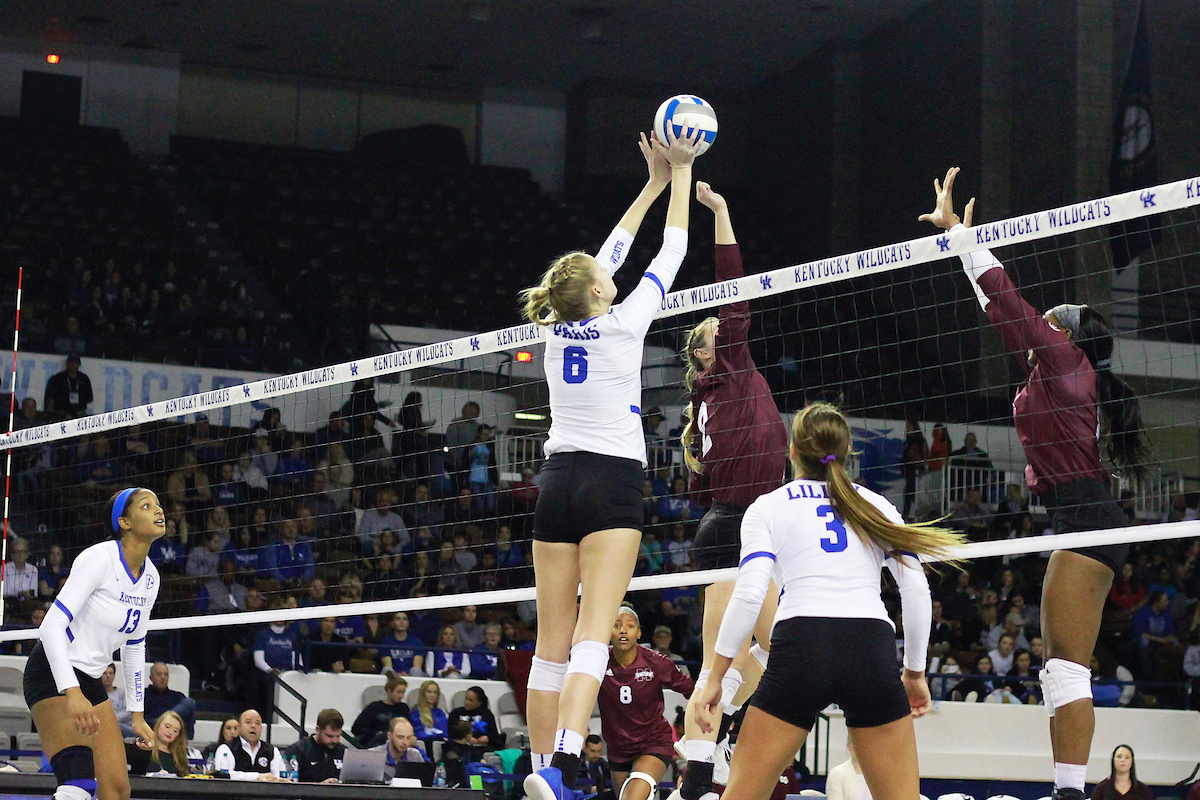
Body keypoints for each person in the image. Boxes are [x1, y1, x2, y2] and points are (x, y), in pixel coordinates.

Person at [922, 167, 1150, 800]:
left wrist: (969, 244)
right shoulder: (1055, 372)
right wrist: (958, 244)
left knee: (1066, 670)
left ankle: (1071, 792)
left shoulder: (1065, 362)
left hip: (1087, 516)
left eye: (1052, 324)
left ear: (1068, 335)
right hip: (1081, 514)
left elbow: (1011, 303)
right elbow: (1003, 312)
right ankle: (1068, 791)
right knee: (1060, 672)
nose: (1039, 330)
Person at [521, 126, 703, 800]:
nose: (610, 272)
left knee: (551, 642)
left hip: (557, 481)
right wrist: (681, 172)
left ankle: (541, 767)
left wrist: (650, 183)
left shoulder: (553, 327)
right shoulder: (625, 322)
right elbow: (674, 246)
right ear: (598, 292)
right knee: (594, 630)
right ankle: (568, 763)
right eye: (603, 276)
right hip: (611, 482)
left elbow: (607, 256)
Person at [692, 403, 964, 800]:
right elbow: (916, 591)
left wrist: (715, 678)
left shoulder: (767, 507)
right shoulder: (875, 505)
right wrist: (915, 673)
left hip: (802, 645)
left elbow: (749, 594)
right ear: (847, 449)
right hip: (868, 645)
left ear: (792, 452)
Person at [674, 181, 791, 800]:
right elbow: (734, 295)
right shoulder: (728, 371)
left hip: (758, 529)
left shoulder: (715, 399)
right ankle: (696, 771)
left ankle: (707, 746)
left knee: (774, 652)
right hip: (731, 530)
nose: (726, 330)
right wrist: (721, 214)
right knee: (732, 659)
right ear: (702, 353)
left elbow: (697, 489)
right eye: (713, 332)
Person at [25, 487, 162, 800]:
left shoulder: (151, 577)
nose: (158, 511)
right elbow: (51, 627)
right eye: (146, 505)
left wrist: (137, 716)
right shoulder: (99, 559)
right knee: (78, 786)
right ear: (124, 522)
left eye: (158, 505)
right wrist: (71, 692)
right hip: (52, 673)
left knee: (116, 790)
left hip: (90, 681)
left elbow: (134, 644)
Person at [598, 606, 694, 800]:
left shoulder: (656, 662)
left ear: (639, 633)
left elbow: (692, 690)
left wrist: (718, 714)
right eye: (616, 626)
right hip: (617, 748)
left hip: (653, 742)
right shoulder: (597, 661)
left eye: (630, 626)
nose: (623, 630)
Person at [213, 708, 286, 781]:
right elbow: (224, 775)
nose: (253, 726)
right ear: (239, 727)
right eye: (248, 722)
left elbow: (278, 777)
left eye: (257, 723)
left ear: (261, 728)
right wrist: (257, 776)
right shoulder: (226, 748)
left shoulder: (272, 751)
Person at [125, 710, 198, 777]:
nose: (170, 732)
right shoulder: (144, 748)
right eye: (167, 726)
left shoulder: (179, 756)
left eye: (175, 731)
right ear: (158, 725)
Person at [283, 709, 346, 784]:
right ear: (318, 730)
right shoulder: (298, 751)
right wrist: (320, 787)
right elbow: (289, 785)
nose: (335, 740)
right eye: (330, 736)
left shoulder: (344, 752)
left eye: (338, 736)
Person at [352, 674, 411, 749]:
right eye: (398, 692)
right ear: (389, 690)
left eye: (403, 693)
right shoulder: (374, 707)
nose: (401, 696)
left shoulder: (403, 708)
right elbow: (357, 728)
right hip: (375, 744)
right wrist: (376, 734)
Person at [144, 662, 197, 739]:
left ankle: (164, 720)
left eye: (166, 675)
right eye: (159, 674)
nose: (163, 677)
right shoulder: (143, 694)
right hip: (151, 731)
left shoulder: (178, 696)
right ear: (151, 678)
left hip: (174, 735)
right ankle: (163, 721)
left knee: (189, 702)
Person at [448, 686, 501, 751]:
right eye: (466, 699)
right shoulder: (456, 713)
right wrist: (467, 738)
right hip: (461, 747)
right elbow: (451, 733)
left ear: (479, 702)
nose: (466, 702)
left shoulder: (487, 714)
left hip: (483, 747)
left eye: (471, 700)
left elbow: (494, 734)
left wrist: (488, 738)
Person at [43, 355, 93, 419]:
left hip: (79, 413)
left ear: (79, 364)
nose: (73, 364)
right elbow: (51, 397)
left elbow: (89, 398)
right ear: (67, 364)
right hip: (61, 412)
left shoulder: (84, 379)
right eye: (71, 362)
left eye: (75, 362)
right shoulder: (58, 378)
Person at [410, 680, 448, 756]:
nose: (432, 695)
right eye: (429, 692)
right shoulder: (416, 712)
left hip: (439, 744)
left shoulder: (440, 713)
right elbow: (417, 733)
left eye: (435, 692)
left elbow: (445, 733)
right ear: (423, 694)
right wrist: (434, 735)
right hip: (424, 744)